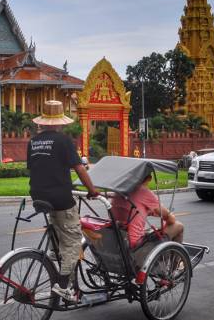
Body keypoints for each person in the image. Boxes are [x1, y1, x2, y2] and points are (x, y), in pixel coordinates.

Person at [27, 100, 99, 302]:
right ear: (59, 122)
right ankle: (63, 285)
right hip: (60, 197)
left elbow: (36, 168)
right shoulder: (63, 140)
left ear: (43, 122)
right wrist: (92, 190)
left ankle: (55, 253)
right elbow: (79, 168)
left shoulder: (33, 142)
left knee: (60, 236)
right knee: (74, 243)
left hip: (38, 195)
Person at [110, 174, 184, 255]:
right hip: (136, 245)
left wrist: (148, 212)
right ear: (149, 178)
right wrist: (170, 216)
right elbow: (171, 219)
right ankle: (176, 261)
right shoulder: (143, 191)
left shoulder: (119, 191)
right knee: (179, 226)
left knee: (149, 230)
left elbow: (133, 209)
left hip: (118, 239)